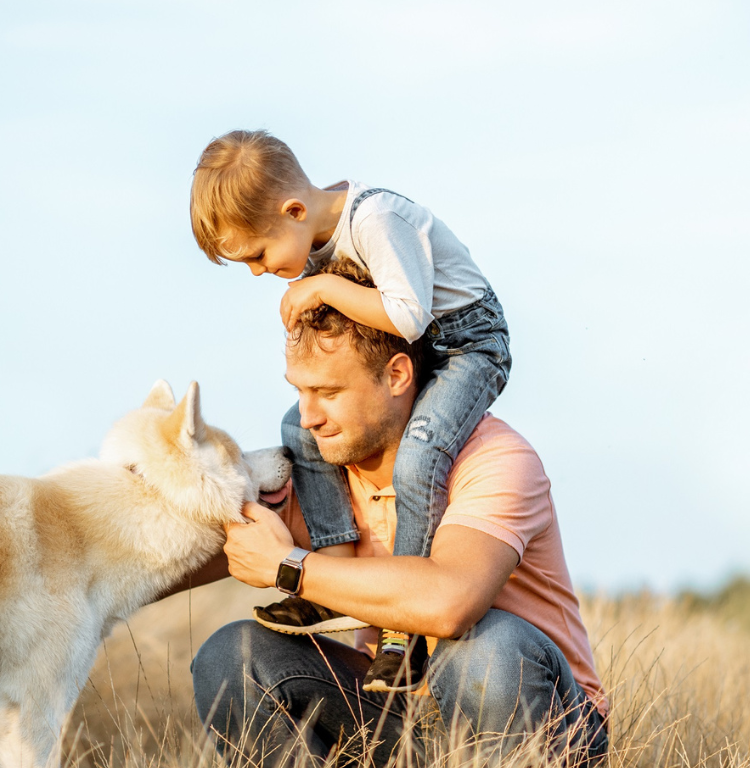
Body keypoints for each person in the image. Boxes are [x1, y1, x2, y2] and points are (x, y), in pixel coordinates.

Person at [188, 260, 608, 767]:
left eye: (329, 392)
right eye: (299, 390)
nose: (307, 417)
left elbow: (450, 603)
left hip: (545, 728)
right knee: (231, 656)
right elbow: (178, 548)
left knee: (482, 650)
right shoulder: (320, 471)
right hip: (392, 715)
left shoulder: (495, 459)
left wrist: (290, 566)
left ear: (397, 375)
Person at [190, 129, 512, 691]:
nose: (258, 272)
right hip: (423, 347)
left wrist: (323, 291)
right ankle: (329, 575)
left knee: (419, 453)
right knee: (298, 428)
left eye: (258, 255)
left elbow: (408, 317)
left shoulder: (375, 221)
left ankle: (400, 637)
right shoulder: (313, 237)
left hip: (468, 345)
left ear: (293, 210)